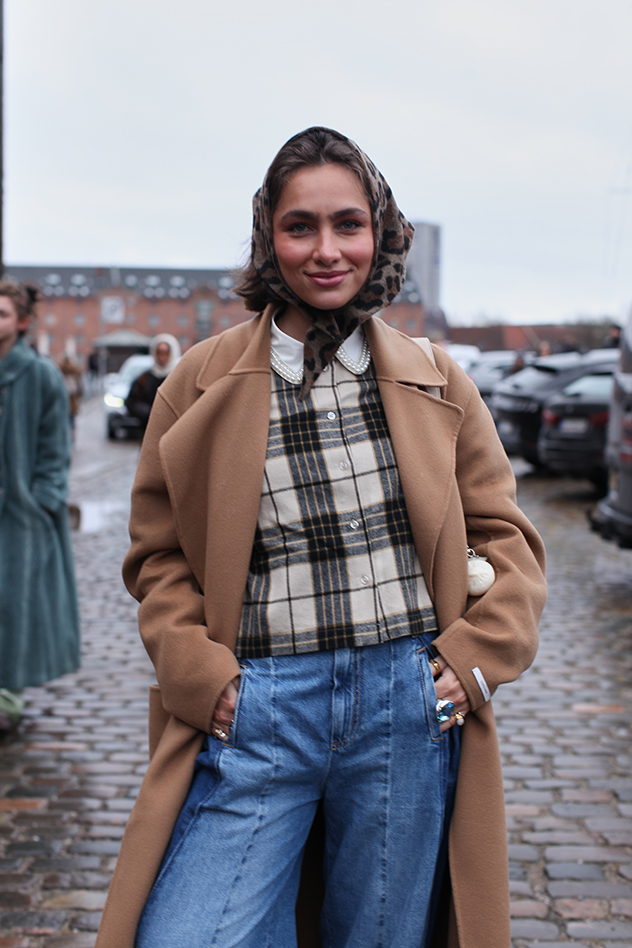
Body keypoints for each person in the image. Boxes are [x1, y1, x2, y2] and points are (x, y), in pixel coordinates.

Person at [96, 128, 546, 948]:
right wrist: (204, 676)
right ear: (269, 234)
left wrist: (469, 664)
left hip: (403, 708)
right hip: (263, 707)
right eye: (301, 226)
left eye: (349, 224)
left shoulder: (437, 376)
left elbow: (508, 541)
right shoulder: (196, 382)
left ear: (381, 233)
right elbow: (158, 557)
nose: (327, 250)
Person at [0, 282, 80, 733]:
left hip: (19, 514)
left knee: (13, 605)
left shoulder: (40, 375)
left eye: (3, 314)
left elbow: (55, 450)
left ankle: (7, 693)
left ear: (22, 322)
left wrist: (42, 500)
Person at [124, 334, 181, 431]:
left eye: (166, 353)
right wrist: (148, 413)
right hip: (148, 430)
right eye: (159, 352)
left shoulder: (179, 377)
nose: (162, 357)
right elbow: (131, 401)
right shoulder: (144, 378)